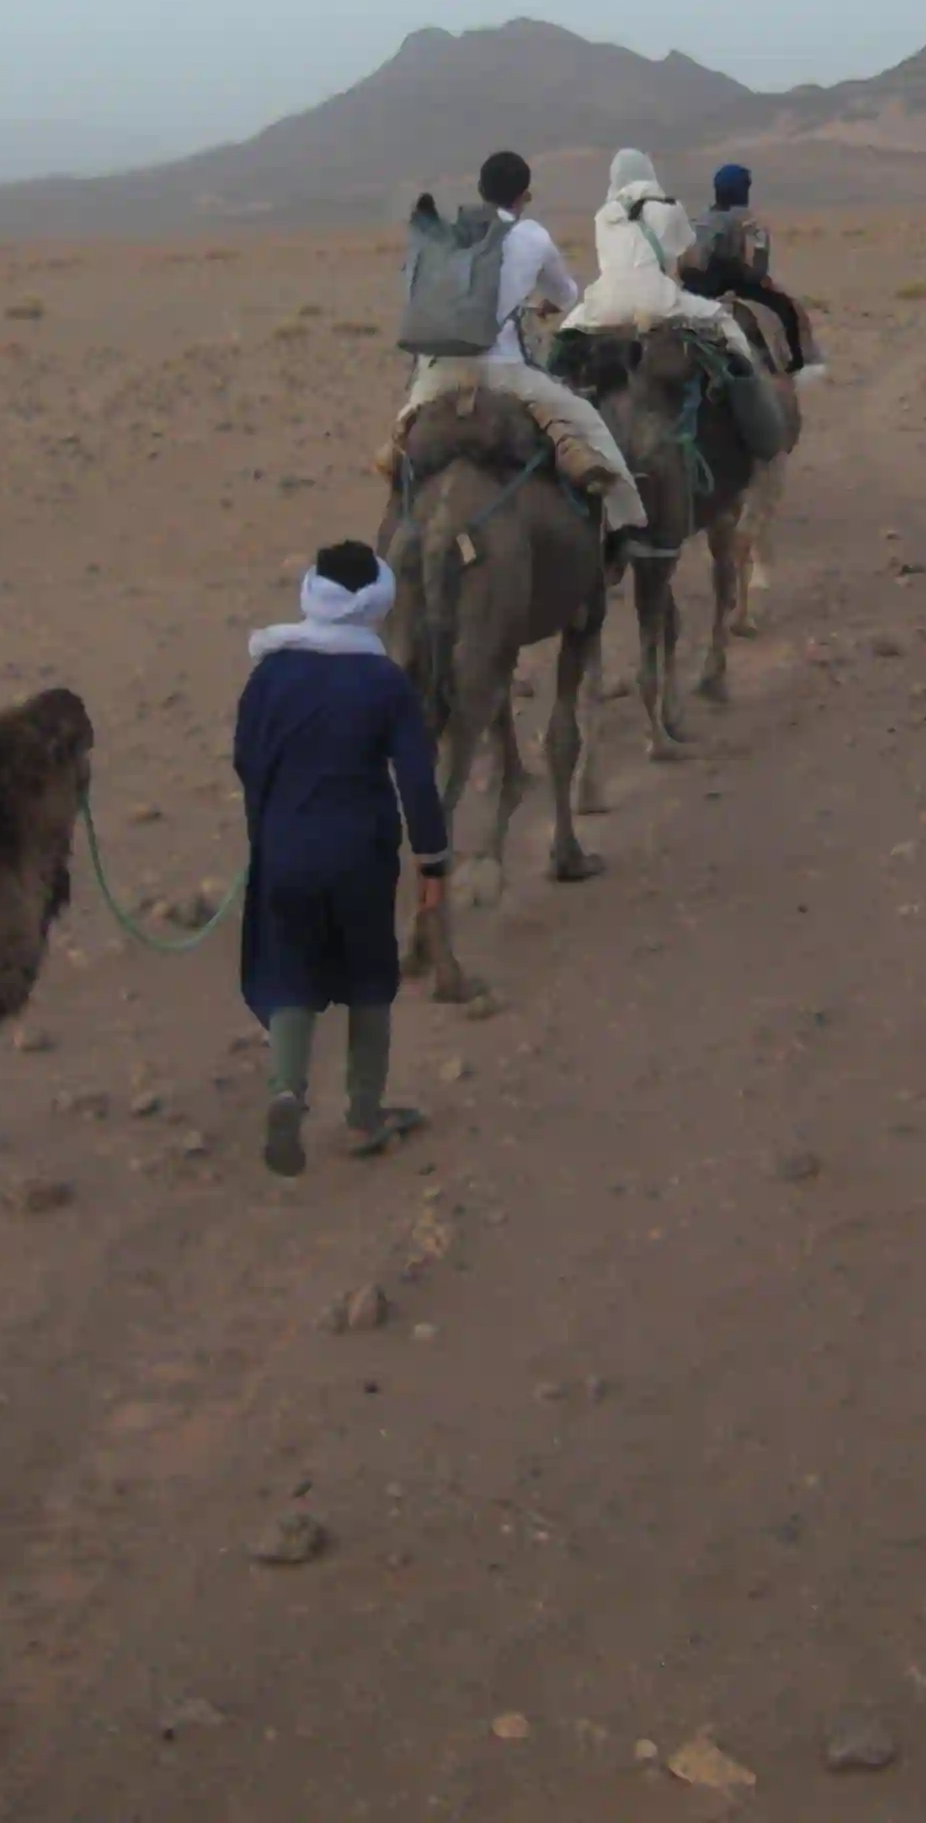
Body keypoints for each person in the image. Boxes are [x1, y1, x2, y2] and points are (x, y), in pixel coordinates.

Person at [234, 542, 450, 1174]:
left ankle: (287, 1091)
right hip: (361, 854)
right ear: (376, 602)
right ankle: (363, 1115)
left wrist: (270, 825)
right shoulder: (385, 682)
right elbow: (417, 781)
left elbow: (247, 759)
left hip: (284, 849)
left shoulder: (269, 673)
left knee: (291, 970)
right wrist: (432, 863)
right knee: (369, 976)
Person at [397, 152, 650, 547]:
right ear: (524, 196)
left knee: (400, 440)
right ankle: (628, 522)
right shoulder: (531, 236)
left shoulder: (450, 234)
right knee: (589, 423)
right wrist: (543, 304)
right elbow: (565, 294)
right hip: (504, 373)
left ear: (480, 190)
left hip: (437, 372)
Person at [562, 148, 762, 359]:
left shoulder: (603, 216)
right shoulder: (671, 207)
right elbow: (691, 260)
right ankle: (749, 372)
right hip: (658, 302)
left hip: (605, 305)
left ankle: (552, 373)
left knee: (565, 331)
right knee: (724, 320)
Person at [682, 161, 825, 377]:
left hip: (693, 286)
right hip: (727, 283)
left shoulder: (702, 218)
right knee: (785, 308)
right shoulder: (745, 220)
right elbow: (757, 269)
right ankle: (796, 361)